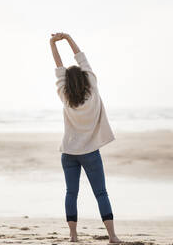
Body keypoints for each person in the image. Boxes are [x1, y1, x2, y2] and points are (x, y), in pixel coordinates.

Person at [50, 32, 122, 243]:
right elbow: (81, 57)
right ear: (84, 77)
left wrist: (52, 43)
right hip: (90, 152)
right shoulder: (91, 84)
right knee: (101, 193)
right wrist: (69, 38)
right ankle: (112, 236)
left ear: (67, 81)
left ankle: (73, 236)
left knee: (71, 193)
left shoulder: (63, 93)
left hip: (69, 153)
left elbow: (58, 66)